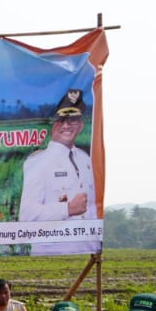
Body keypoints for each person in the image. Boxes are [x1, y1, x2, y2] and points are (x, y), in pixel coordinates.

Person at [18, 89, 99, 255]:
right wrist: (67, 209)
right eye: (61, 120)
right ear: (53, 125)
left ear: (81, 125)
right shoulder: (38, 162)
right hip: (52, 254)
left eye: (73, 120)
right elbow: (27, 215)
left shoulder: (85, 160)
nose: (66, 126)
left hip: (88, 252)